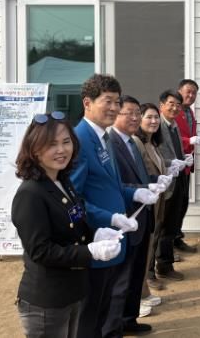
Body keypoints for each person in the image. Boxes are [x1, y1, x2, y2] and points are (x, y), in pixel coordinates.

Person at [11, 111, 123, 338]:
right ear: (35, 149)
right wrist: (89, 252)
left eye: (66, 142)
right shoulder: (31, 193)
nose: (61, 150)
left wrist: (96, 234)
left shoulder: (62, 181)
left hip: (73, 291)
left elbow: (76, 220)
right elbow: (41, 251)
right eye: (52, 144)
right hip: (48, 299)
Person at [69, 74, 159, 338]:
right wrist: (109, 218)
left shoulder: (103, 137)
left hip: (114, 239)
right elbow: (73, 200)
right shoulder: (79, 139)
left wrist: (136, 193)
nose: (114, 108)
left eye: (116, 102)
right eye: (107, 101)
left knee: (107, 307)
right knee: (91, 317)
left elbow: (111, 184)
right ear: (87, 102)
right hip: (97, 241)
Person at [107, 96, 170, 336]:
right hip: (125, 219)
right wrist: (141, 189)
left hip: (142, 217)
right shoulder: (111, 143)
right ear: (116, 115)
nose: (135, 118)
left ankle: (129, 319)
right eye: (129, 113)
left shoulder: (132, 142)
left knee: (135, 275)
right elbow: (114, 183)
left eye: (137, 113)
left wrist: (155, 180)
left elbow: (140, 176)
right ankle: (115, 326)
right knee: (121, 280)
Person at [134, 103, 171, 301]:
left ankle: (143, 291)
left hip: (156, 200)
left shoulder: (152, 143)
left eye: (156, 117)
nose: (154, 121)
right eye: (149, 117)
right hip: (144, 203)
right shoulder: (137, 142)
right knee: (144, 247)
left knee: (151, 244)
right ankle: (140, 293)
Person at [155, 90, 190, 281]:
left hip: (178, 180)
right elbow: (153, 155)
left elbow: (175, 151)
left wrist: (184, 159)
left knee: (171, 225)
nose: (175, 108)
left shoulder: (174, 125)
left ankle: (165, 264)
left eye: (178, 104)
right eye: (171, 103)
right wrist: (171, 163)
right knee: (162, 227)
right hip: (164, 183)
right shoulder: (157, 125)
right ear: (161, 105)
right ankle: (158, 267)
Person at [174, 78, 200, 253]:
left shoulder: (189, 112)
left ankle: (177, 238)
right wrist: (187, 141)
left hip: (187, 164)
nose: (191, 95)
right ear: (179, 92)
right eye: (188, 91)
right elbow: (168, 136)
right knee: (173, 207)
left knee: (182, 204)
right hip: (174, 165)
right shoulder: (173, 112)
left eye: (194, 93)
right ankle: (167, 247)